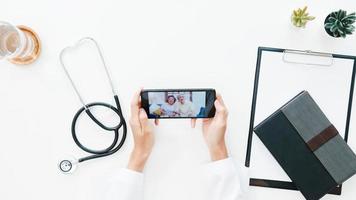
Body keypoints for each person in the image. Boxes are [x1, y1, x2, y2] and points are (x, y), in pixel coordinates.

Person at [102, 89, 249, 200]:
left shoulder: (185, 105)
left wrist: (140, 152)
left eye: (175, 99)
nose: (174, 101)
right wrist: (217, 148)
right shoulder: (165, 107)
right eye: (172, 99)